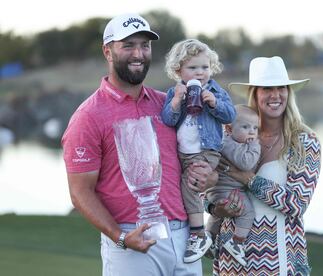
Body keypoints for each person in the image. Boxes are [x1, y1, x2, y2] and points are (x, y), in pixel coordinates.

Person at [61, 14, 212, 276]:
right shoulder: (88, 117)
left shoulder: (168, 104)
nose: (138, 53)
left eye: (145, 45)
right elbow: (80, 192)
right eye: (128, 45)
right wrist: (120, 236)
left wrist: (209, 174)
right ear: (107, 52)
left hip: (184, 236)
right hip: (132, 240)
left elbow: (197, 157)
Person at [204, 56, 322, 275]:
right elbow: (207, 183)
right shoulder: (231, 133)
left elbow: (296, 205)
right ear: (255, 93)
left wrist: (248, 179)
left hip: (279, 260)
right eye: (267, 88)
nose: (275, 95)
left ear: (289, 92)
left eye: (281, 88)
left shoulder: (305, 142)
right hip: (232, 259)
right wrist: (214, 208)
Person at [161, 38, 236, 263]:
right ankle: (199, 232)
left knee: (190, 186)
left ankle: (198, 234)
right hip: (184, 153)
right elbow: (167, 120)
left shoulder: (215, 91)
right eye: (193, 68)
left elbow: (230, 115)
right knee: (187, 186)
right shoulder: (174, 93)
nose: (200, 72)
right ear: (179, 71)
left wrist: (214, 103)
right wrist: (176, 101)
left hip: (207, 150)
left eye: (205, 67)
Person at [205, 104, 260, 266]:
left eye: (255, 128)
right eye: (245, 127)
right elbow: (246, 163)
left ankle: (209, 237)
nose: (251, 132)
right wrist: (255, 145)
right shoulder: (228, 143)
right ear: (229, 129)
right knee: (246, 212)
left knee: (217, 213)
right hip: (225, 189)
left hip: (218, 190)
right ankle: (236, 242)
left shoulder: (230, 142)